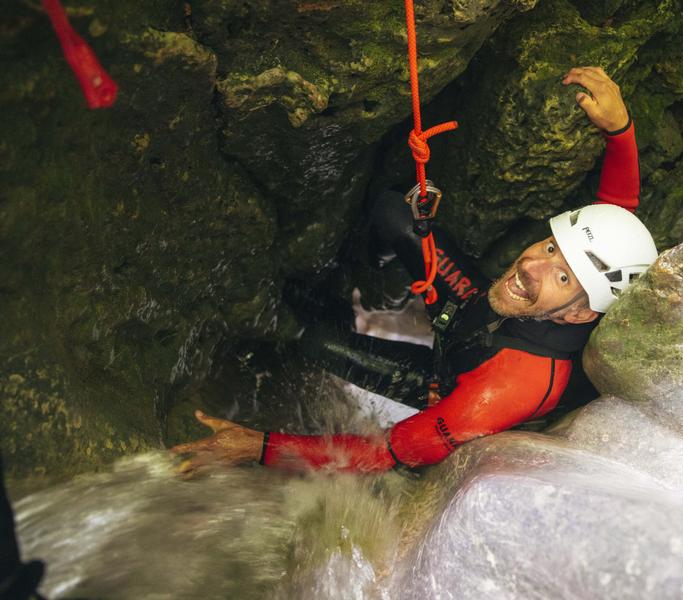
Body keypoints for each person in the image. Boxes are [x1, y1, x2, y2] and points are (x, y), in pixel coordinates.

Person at [169, 66, 657, 476]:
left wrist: (259, 447)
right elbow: (613, 220)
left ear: (576, 317)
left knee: (316, 341)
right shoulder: (570, 289)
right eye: (550, 246)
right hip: (471, 314)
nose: (531, 264)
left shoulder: (504, 391)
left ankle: (342, 310)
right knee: (393, 213)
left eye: (562, 276)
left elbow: (390, 451)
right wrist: (621, 131)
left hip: (450, 380)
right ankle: (380, 289)